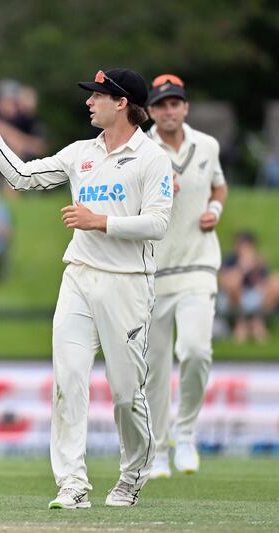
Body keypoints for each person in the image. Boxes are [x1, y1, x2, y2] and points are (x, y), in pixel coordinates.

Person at [0, 68, 173, 508]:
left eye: (97, 96)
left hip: (128, 284)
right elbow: (22, 177)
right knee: (68, 382)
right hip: (79, 276)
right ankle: (72, 483)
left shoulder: (153, 159)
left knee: (124, 393)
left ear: (121, 103)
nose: (88, 102)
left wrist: (100, 221)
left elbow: (158, 223)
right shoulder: (81, 153)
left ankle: (134, 473)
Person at [143, 74, 228, 479]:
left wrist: (216, 210)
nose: (168, 111)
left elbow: (219, 187)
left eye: (175, 103)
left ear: (186, 108)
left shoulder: (207, 146)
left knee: (195, 351)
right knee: (156, 368)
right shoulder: (140, 148)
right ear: (151, 111)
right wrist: (158, 189)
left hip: (198, 266)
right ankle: (158, 449)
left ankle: (187, 434)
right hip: (153, 271)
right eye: (161, 105)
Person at [218, 231, 279, 343]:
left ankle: (258, 321)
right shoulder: (230, 260)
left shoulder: (257, 260)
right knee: (234, 281)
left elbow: (263, 284)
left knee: (276, 280)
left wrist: (256, 270)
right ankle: (240, 323)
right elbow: (224, 283)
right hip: (232, 301)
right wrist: (242, 267)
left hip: (253, 297)